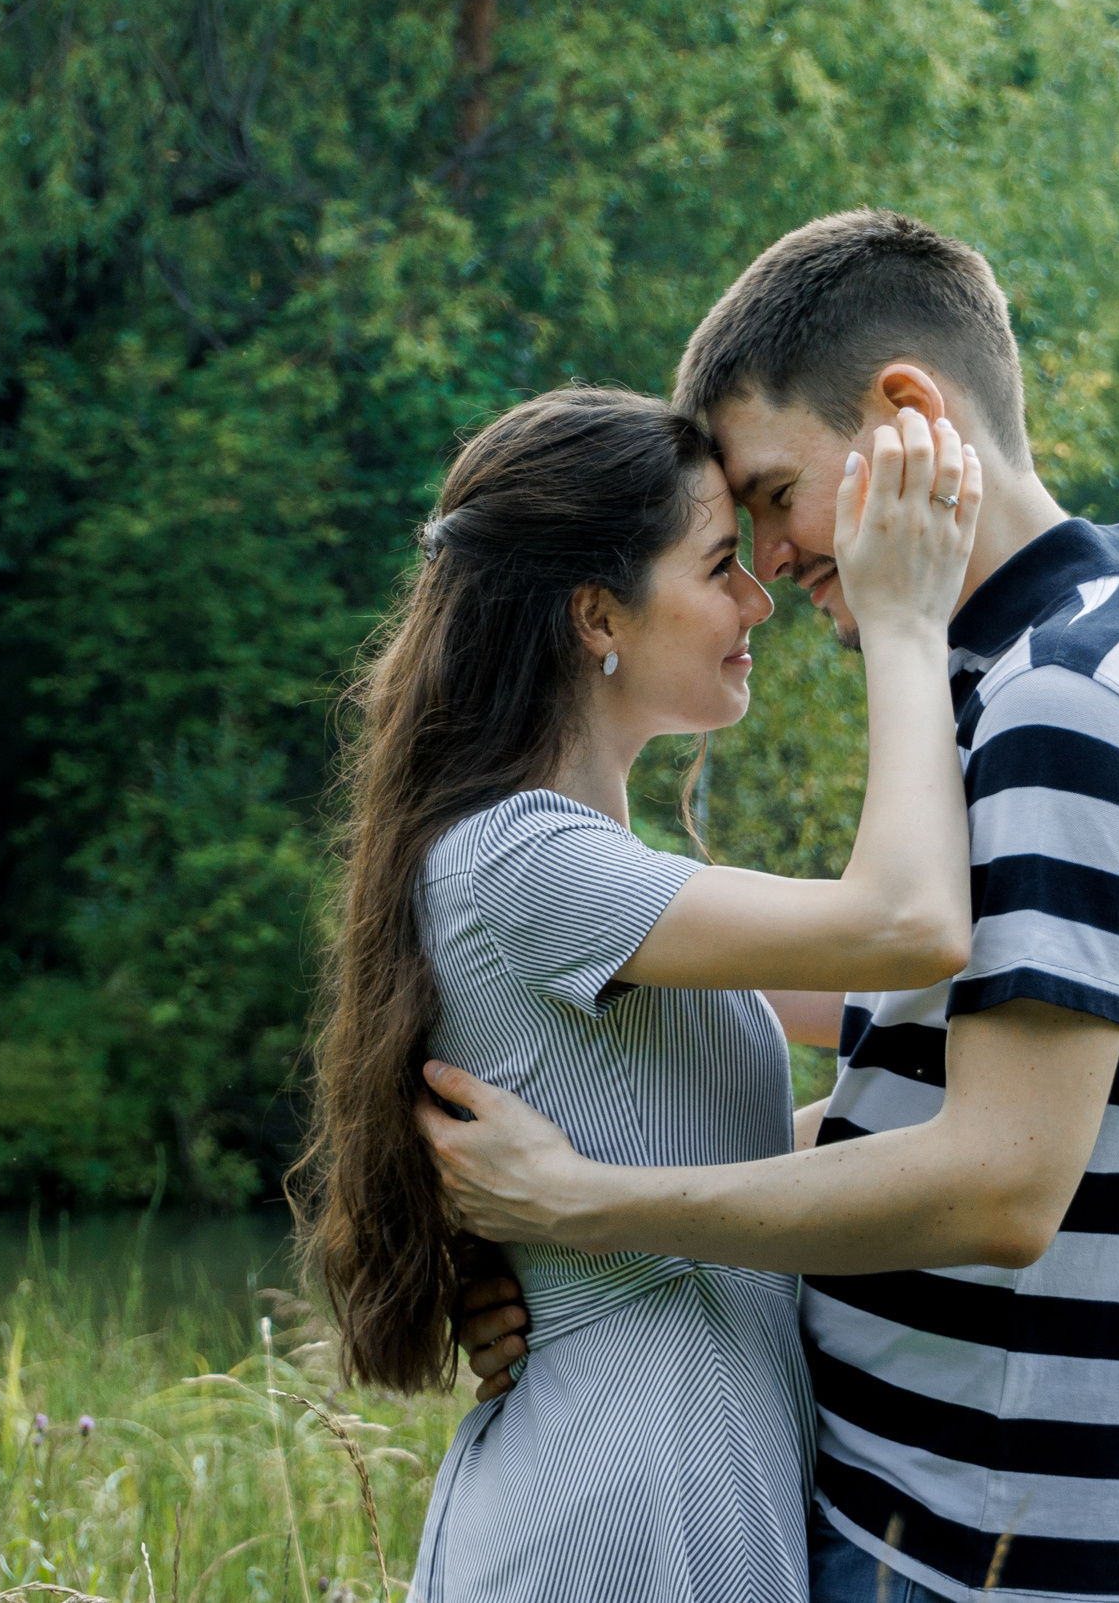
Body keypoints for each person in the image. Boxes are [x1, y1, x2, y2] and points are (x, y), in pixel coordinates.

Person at [424, 211, 1119, 1603]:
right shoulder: (1052, 675)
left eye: (773, 495)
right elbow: (920, 1097)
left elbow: (998, 1179)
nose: (770, 563)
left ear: (904, 414)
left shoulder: (1061, 703)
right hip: (965, 1524)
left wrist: (598, 1210)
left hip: (995, 1549)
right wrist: (556, 1255)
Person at [291, 380, 985, 1603]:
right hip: (621, 1500)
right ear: (595, 614)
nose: (757, 598)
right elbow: (908, 924)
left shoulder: (594, 879)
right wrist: (905, 622)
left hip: (668, 1471)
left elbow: (896, 1029)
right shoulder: (524, 862)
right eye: (719, 564)